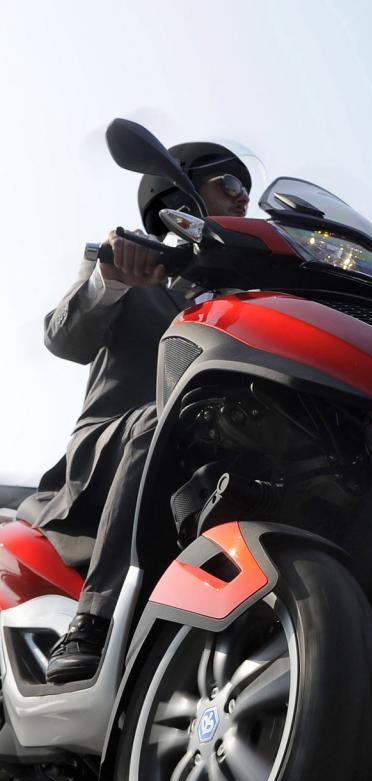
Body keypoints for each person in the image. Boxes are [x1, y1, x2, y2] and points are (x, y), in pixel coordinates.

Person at [21, 142, 251, 684]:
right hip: (112, 450)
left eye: (246, 189)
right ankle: (94, 621)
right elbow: (64, 338)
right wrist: (113, 277)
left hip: (206, 465)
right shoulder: (134, 272)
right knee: (165, 422)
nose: (244, 199)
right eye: (229, 186)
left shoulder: (243, 301)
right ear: (181, 194)